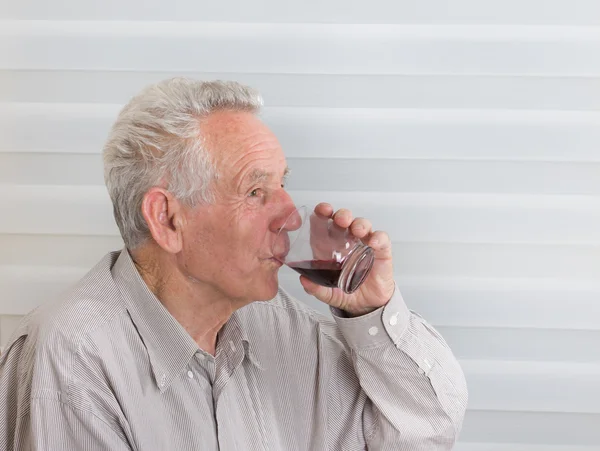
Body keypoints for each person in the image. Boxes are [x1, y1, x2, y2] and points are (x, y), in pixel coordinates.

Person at [0, 79, 467, 450]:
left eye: (283, 184)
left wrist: (371, 314)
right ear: (168, 219)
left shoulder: (278, 322)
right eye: (255, 191)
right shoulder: (73, 356)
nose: (290, 215)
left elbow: (425, 434)